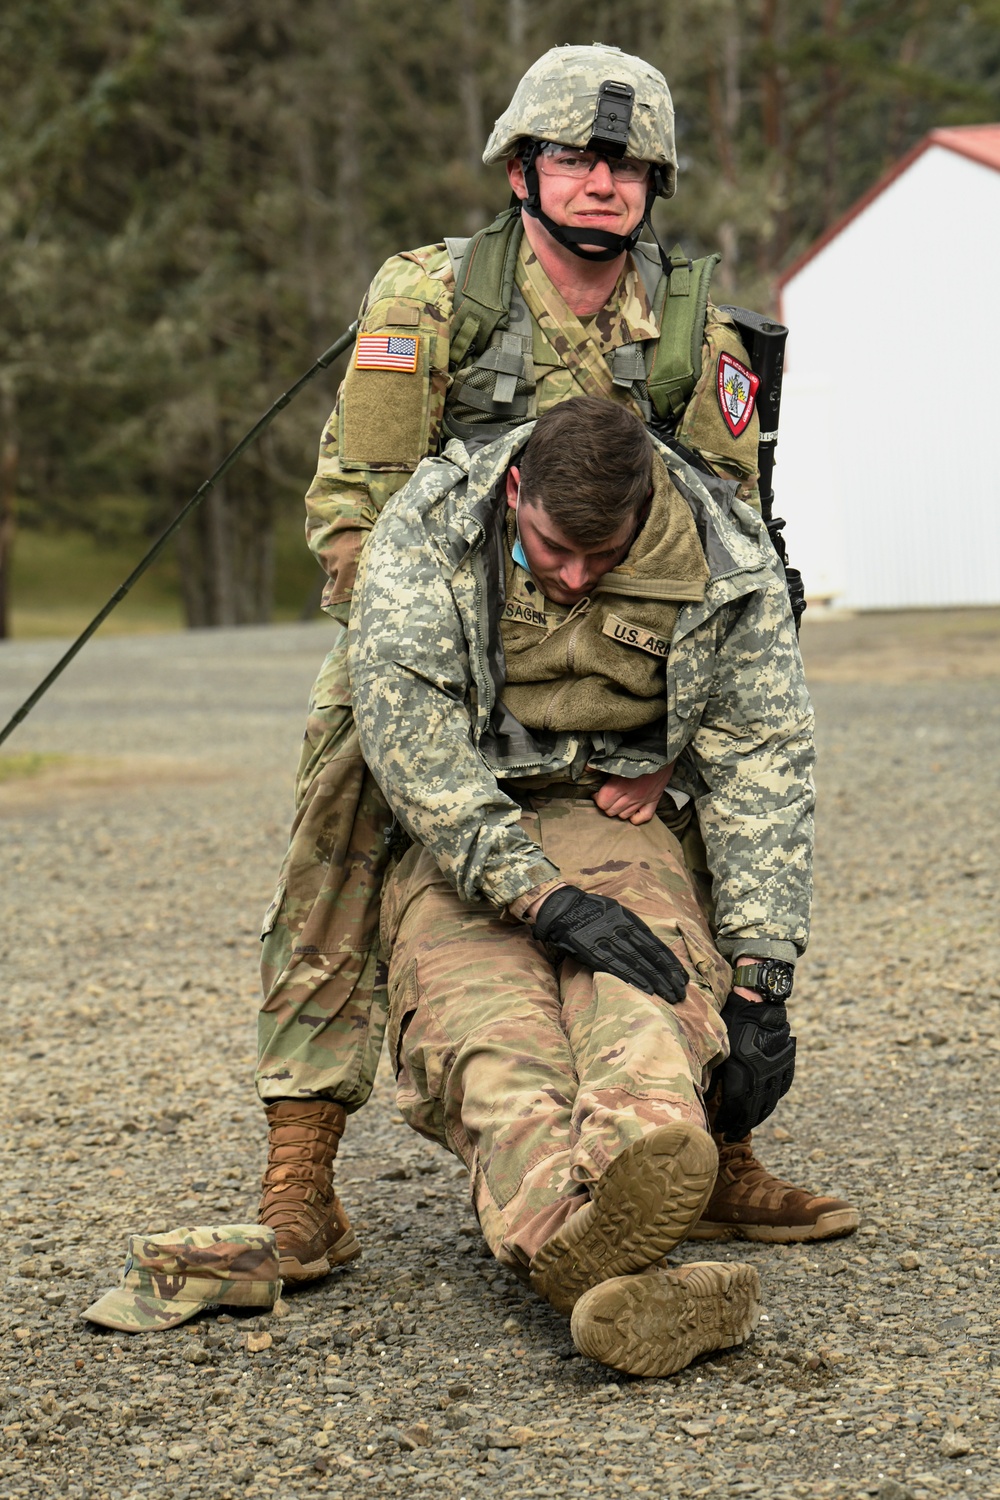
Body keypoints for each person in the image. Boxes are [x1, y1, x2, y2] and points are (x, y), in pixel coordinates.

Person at [256, 43, 857, 1285]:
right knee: (339, 823)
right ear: (523, 166)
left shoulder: (695, 327)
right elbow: (355, 508)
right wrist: (428, 664)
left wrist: (682, 730)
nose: (604, 182)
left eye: (629, 163)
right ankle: (299, 1176)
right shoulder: (430, 298)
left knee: (697, 833)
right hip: (429, 622)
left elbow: (727, 532)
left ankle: (715, 1144)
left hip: (619, 637)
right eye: (579, 156)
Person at [347, 394, 806, 1376]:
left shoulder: (722, 554)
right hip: (464, 832)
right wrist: (536, 894)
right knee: (486, 1039)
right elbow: (406, 732)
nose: (573, 577)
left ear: (644, 507)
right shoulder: (432, 524)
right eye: (553, 548)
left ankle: (614, 1207)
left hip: (617, 816)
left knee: (648, 998)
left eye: (603, 556)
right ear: (517, 490)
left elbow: (762, 748)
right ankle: (616, 1259)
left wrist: (764, 970)